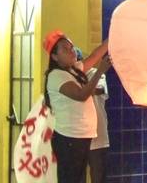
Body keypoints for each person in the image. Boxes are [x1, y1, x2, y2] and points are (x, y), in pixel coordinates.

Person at [43, 30, 112, 183]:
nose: (71, 51)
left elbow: (94, 56)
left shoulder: (73, 70)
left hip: (81, 137)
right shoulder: (56, 75)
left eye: (71, 47)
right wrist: (100, 70)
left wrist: (113, 36)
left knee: (79, 178)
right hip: (70, 140)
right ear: (55, 57)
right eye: (65, 49)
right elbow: (81, 95)